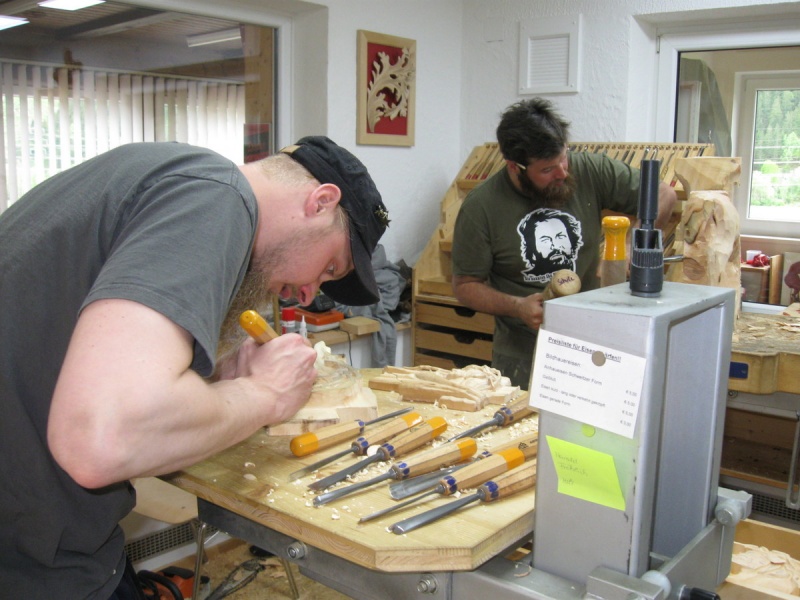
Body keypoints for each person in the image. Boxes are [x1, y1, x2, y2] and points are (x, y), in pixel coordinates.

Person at [0, 136, 389, 598]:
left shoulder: (163, 173)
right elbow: (101, 439)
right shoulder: (215, 197)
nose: (306, 294)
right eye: (329, 268)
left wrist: (214, 378)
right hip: (37, 571)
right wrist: (265, 394)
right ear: (320, 202)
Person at [451, 98, 676, 389]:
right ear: (514, 167)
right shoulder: (481, 207)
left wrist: (634, 244)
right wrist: (518, 307)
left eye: (563, 158)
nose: (562, 173)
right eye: (547, 170)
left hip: (593, 343)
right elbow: (465, 286)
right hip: (524, 354)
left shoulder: (589, 170)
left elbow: (663, 195)